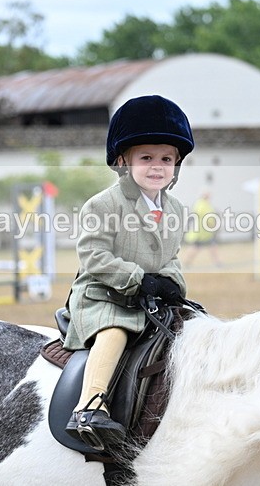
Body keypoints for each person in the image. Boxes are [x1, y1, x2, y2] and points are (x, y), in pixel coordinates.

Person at [62, 94, 192, 448]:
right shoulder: (103, 204)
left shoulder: (177, 209)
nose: (157, 167)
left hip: (151, 299)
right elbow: (93, 255)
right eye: (146, 158)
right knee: (116, 330)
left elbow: (172, 256)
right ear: (123, 161)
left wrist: (170, 281)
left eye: (166, 159)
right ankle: (89, 407)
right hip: (104, 296)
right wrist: (137, 279)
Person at [182, 189, 222, 267]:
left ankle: (217, 262)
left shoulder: (203, 204)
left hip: (204, 232)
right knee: (196, 248)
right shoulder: (202, 204)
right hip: (201, 232)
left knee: (211, 247)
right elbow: (207, 217)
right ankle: (186, 263)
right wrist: (212, 224)